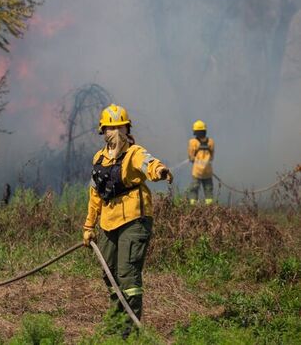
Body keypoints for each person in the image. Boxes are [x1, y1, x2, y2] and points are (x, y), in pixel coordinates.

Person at [82, 103, 173, 337]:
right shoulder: (99, 159)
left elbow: (148, 163)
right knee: (109, 272)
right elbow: (95, 195)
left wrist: (160, 171)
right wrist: (89, 226)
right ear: (103, 132)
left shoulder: (134, 153)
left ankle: (128, 332)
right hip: (109, 222)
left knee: (127, 276)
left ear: (127, 130)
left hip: (134, 220)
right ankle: (117, 320)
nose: (116, 133)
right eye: (111, 129)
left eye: (120, 128)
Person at [187, 120, 215, 205]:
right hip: (208, 171)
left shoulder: (193, 142)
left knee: (194, 189)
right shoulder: (211, 142)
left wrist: (193, 159)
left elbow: (191, 157)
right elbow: (212, 157)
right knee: (208, 189)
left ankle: (193, 206)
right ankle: (209, 207)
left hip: (197, 172)